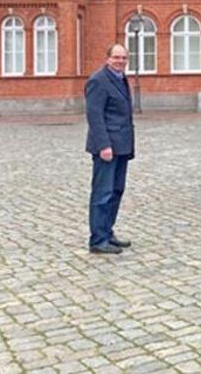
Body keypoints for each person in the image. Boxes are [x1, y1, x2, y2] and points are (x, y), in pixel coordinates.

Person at [84, 44, 136, 255]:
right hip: (107, 147)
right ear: (108, 59)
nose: (120, 61)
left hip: (122, 145)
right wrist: (104, 145)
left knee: (116, 191)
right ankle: (97, 239)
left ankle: (107, 231)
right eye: (116, 57)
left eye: (124, 58)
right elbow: (95, 116)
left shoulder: (121, 78)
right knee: (102, 193)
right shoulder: (98, 80)